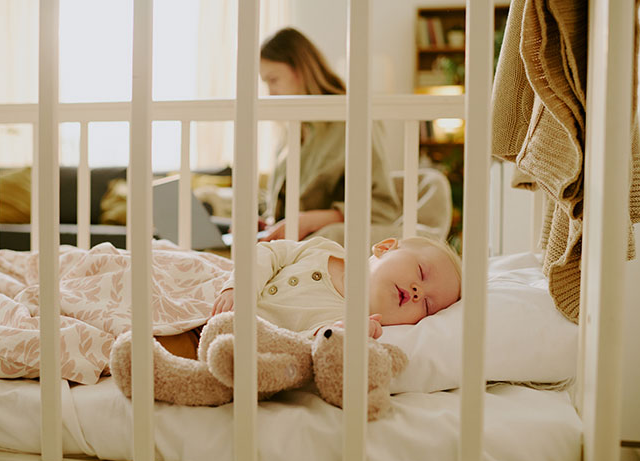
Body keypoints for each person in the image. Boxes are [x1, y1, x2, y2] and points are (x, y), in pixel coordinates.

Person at [156, 235, 461, 359]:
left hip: (213, 339)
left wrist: (336, 336)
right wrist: (238, 286)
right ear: (385, 247)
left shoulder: (350, 323)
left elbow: (299, 347)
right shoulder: (324, 250)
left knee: (151, 346)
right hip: (212, 297)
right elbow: (268, 252)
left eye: (428, 305)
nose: (419, 292)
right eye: (421, 272)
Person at [257, 27, 401, 244]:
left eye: (274, 80)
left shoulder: (353, 121)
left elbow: (382, 209)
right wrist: (267, 222)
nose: (269, 93)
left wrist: (311, 221)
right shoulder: (291, 131)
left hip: (323, 247)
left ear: (301, 71)